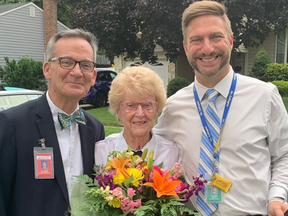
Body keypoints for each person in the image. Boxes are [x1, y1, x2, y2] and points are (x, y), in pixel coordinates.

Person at [153, 1, 288, 216]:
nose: (207, 48)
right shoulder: (174, 106)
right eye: (197, 40)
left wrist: (277, 196)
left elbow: (283, 155)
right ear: (186, 48)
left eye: (216, 37)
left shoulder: (264, 96)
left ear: (231, 41)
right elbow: (151, 148)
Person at [0, 28, 105, 216]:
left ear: (93, 76)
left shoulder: (95, 129)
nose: (77, 72)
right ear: (47, 69)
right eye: (67, 62)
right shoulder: (12, 124)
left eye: (86, 65)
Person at [94, 66, 181, 170]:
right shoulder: (102, 150)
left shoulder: (172, 153)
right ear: (118, 111)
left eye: (147, 105)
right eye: (131, 105)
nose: (140, 113)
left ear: (156, 110)